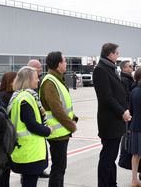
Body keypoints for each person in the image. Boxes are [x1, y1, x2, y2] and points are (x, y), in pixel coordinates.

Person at [93, 43, 131, 187]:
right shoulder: (101, 70)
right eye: (117, 53)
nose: (118, 55)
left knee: (111, 157)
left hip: (115, 120)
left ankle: (111, 183)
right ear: (110, 54)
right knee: (107, 158)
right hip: (110, 121)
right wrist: (122, 112)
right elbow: (106, 97)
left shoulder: (110, 68)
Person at [8, 66, 51, 187]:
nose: (38, 80)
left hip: (25, 148)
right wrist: (48, 130)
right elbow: (31, 124)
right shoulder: (26, 99)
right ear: (28, 79)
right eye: (36, 78)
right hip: (30, 151)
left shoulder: (18, 96)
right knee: (29, 183)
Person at [40, 51, 77, 187]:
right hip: (57, 133)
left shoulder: (57, 79)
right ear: (58, 64)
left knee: (60, 167)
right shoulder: (50, 82)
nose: (66, 63)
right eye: (64, 61)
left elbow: (64, 106)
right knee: (58, 168)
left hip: (62, 132)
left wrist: (74, 118)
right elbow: (57, 109)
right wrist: (71, 126)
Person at [27, 59, 50, 179]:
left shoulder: (39, 81)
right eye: (39, 68)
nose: (41, 70)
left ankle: (41, 170)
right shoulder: (27, 85)